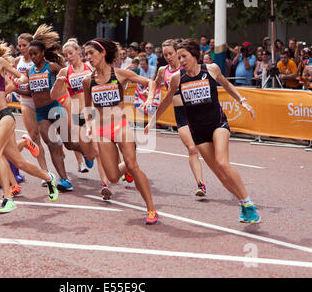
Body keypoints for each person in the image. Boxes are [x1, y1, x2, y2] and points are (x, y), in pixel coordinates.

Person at [144, 38, 260, 224]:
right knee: (221, 176)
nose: (181, 60)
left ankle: (249, 204)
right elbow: (166, 101)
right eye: (179, 57)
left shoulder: (211, 69)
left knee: (222, 163)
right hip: (197, 131)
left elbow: (227, 84)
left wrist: (242, 100)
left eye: (184, 56)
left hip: (217, 124)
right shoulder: (177, 78)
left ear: (194, 55)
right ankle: (243, 204)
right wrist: (152, 121)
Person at [0, 32, 59, 214]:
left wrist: (18, 81)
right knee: (19, 162)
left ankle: (8, 198)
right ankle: (48, 177)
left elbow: (23, 78)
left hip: (4, 115)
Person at [82, 38, 159, 225]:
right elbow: (87, 108)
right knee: (114, 178)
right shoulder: (87, 81)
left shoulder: (120, 74)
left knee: (133, 165)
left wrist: (149, 98)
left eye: (91, 53)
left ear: (103, 53)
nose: (88, 57)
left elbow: (150, 82)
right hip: (102, 130)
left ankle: (151, 209)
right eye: (86, 54)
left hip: (120, 125)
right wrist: (89, 124)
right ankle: (125, 166)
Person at [9, 25, 86, 192]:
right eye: (31, 54)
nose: (33, 57)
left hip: (55, 108)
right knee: (51, 144)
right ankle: (64, 180)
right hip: (41, 113)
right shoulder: (30, 71)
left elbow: (69, 79)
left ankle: (86, 152)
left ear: (43, 53)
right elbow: (30, 92)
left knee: (70, 144)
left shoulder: (52, 67)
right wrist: (15, 88)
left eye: (36, 53)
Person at [50, 38, 112, 200]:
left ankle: (105, 184)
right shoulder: (65, 72)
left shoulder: (90, 67)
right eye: (65, 55)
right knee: (77, 147)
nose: (68, 57)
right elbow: (54, 95)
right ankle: (86, 155)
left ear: (79, 52)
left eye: (71, 53)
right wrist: (58, 83)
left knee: (98, 150)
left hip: (93, 112)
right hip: (77, 114)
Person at [148, 39, 206, 196]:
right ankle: (201, 184)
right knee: (192, 149)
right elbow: (154, 83)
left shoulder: (187, 67)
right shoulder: (163, 70)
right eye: (165, 54)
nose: (168, 57)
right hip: (181, 114)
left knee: (207, 150)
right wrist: (150, 98)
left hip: (197, 111)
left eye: (170, 54)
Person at [11, 33, 49, 187]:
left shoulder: (39, 61)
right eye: (19, 45)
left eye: (24, 45)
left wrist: (23, 79)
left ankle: (61, 151)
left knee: (52, 137)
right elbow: (12, 78)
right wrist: (11, 90)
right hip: (26, 101)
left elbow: (30, 76)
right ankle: (45, 172)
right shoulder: (17, 61)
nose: (21, 48)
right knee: (35, 136)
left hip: (42, 101)